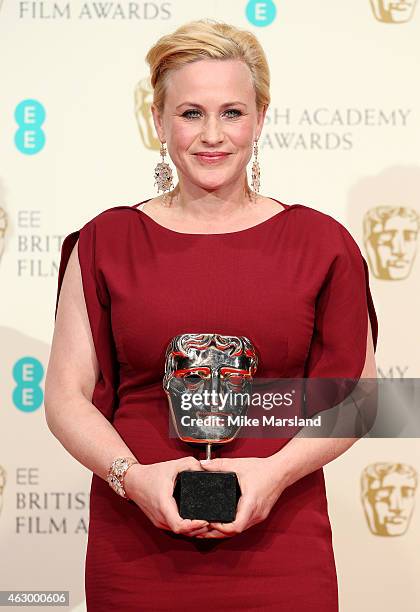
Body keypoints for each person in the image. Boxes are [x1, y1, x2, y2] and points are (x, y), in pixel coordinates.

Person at [45, 18, 378, 611]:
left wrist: (272, 475)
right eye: (190, 113)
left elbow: (362, 395)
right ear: (158, 121)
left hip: (281, 542)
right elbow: (66, 394)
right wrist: (133, 479)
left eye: (232, 112)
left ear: (260, 119)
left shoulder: (322, 243)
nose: (212, 135)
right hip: (138, 544)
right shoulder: (106, 240)